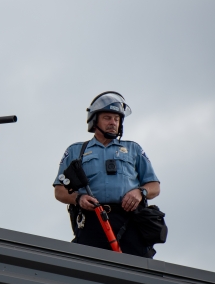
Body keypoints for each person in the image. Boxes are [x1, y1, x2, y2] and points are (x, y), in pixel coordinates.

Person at [53, 91, 161, 257]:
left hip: (130, 222)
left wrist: (140, 192)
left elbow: (154, 186)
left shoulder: (134, 149)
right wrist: (79, 198)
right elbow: (59, 191)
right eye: (107, 118)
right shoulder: (76, 151)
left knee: (137, 275)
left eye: (117, 119)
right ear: (95, 121)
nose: (113, 123)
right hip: (92, 221)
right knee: (89, 272)